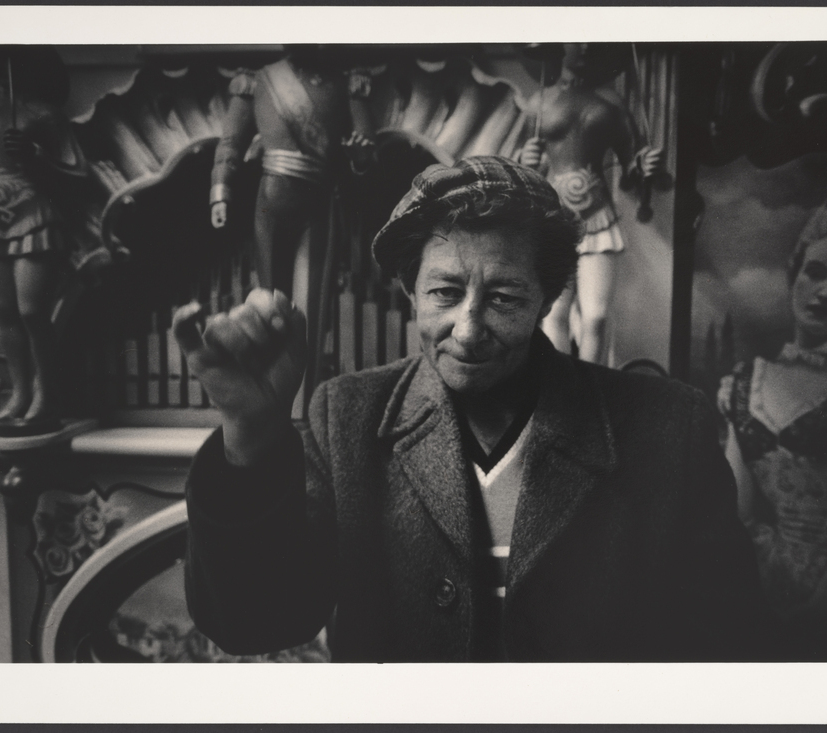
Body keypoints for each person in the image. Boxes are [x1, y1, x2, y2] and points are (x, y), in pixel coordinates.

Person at [177, 156, 770, 662]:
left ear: (546, 300)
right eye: (445, 292)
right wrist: (251, 430)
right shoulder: (346, 419)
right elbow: (255, 623)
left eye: (504, 298)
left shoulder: (667, 429)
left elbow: (725, 644)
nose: (467, 330)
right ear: (411, 291)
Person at [718, 199, 827, 660]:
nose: (826, 291)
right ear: (795, 276)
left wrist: (816, 610)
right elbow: (737, 510)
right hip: (762, 587)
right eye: (816, 272)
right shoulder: (745, 381)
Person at [519, 43, 661, 364]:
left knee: (596, 316)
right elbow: (522, 170)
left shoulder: (610, 102)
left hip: (598, 217)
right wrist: (526, 160)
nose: (583, 46)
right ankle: (561, 384)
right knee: (555, 312)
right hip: (553, 218)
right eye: (575, 38)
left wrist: (644, 165)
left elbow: (631, 161)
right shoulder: (539, 102)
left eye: (590, 39)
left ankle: (591, 384)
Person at [0, 46, 88, 436]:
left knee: (32, 311)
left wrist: (36, 155)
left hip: (35, 219)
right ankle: (20, 393)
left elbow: (79, 172)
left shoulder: (46, 116)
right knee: (4, 311)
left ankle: (46, 393)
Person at [209, 46, 374, 296]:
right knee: (271, 300)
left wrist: (361, 160)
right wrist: (220, 193)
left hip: (320, 204)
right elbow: (231, 143)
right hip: (271, 203)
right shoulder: (257, 80)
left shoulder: (344, 83)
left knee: (313, 305)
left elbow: (369, 156)